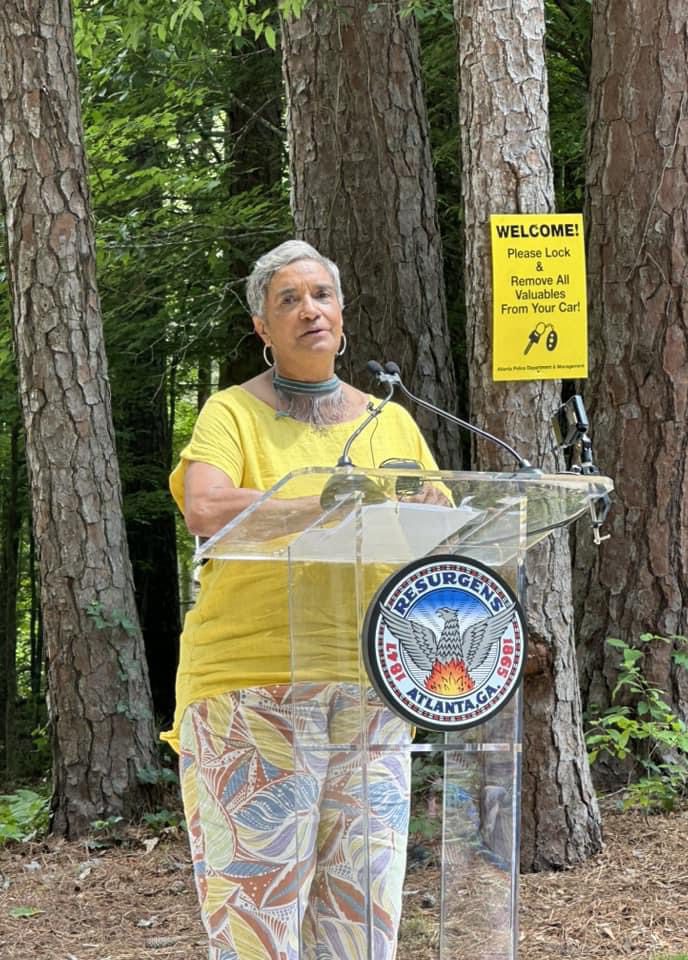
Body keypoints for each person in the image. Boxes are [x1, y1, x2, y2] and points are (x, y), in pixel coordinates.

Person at [163, 240, 446, 960]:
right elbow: (205, 506)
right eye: (287, 300)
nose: (308, 309)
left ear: (342, 313)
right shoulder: (231, 413)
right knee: (260, 926)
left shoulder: (390, 422)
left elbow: (437, 518)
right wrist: (325, 500)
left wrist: (430, 507)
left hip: (371, 687)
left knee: (362, 924)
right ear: (262, 328)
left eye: (320, 295)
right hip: (249, 690)